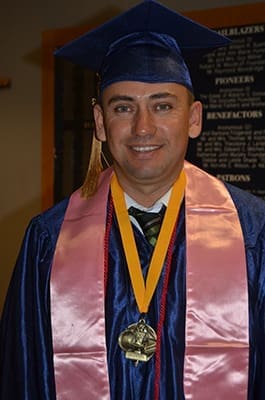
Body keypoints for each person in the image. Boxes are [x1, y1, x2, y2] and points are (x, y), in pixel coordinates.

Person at [1, 1, 265, 399]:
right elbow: (22, 379)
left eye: (162, 105)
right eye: (124, 107)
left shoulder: (253, 233)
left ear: (193, 119)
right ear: (100, 123)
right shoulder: (49, 242)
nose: (143, 127)